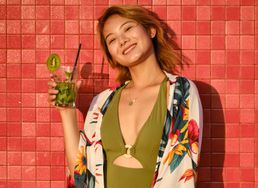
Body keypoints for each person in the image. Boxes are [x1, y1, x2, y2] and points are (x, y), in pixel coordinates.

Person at [48, 5, 203, 188]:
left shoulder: (180, 92)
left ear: (151, 30)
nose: (122, 41)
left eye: (128, 28)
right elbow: (80, 176)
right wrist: (67, 112)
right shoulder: (102, 102)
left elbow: (181, 172)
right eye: (112, 39)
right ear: (111, 56)